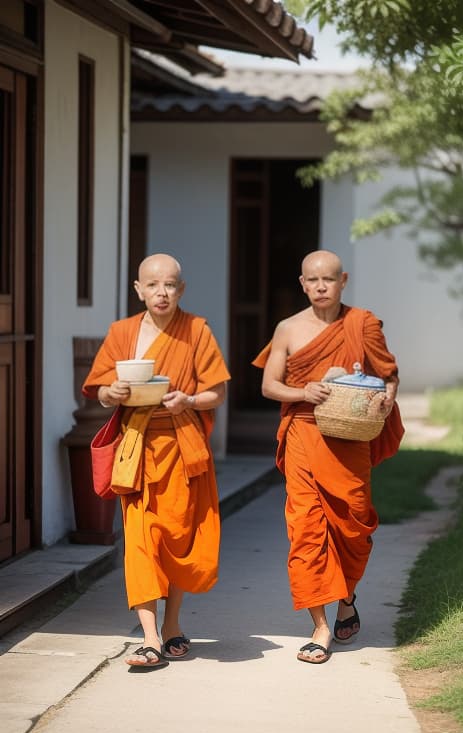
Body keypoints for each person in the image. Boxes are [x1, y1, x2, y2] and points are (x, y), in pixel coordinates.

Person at [253, 250, 404, 664]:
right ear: (302, 284)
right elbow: (270, 385)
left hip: (349, 439)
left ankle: (347, 597)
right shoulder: (288, 328)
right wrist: (303, 392)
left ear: (343, 281)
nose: (321, 286)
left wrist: (386, 402)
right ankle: (320, 626)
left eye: (329, 279)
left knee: (353, 525)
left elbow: (388, 374)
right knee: (306, 528)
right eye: (313, 280)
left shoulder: (361, 324)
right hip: (303, 433)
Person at [83, 253, 230, 668]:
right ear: (138, 290)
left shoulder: (196, 330)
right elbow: (100, 389)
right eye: (152, 285)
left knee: (178, 537)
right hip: (136, 448)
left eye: (169, 285)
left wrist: (189, 400)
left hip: (182, 445)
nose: (161, 293)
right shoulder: (122, 332)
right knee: (140, 539)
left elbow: (216, 392)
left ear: (180, 290)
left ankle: (172, 624)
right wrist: (113, 394)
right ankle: (149, 638)